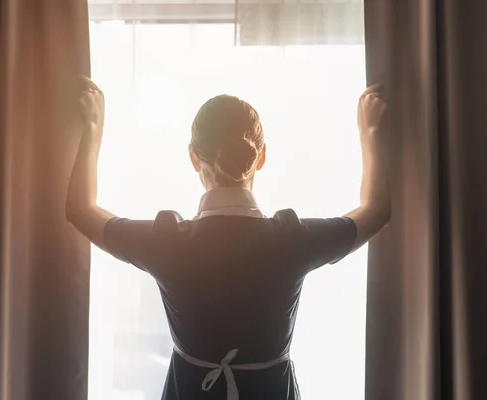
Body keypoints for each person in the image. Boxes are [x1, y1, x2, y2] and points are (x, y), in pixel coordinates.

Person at [66, 76, 391, 400]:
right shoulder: (291, 239)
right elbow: (375, 210)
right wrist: (370, 133)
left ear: (194, 158)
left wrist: (92, 129)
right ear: (260, 157)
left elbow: (81, 210)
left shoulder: (168, 242)